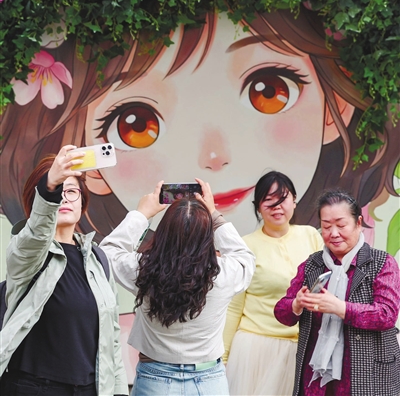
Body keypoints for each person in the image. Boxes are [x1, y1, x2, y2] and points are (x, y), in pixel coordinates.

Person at [1, 8, 399, 245]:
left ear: (336, 107)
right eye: (136, 124)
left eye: (268, 91)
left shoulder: (311, 246)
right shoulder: (106, 264)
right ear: (95, 174)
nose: (213, 156)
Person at [100, 178, 256, 396]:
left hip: (154, 379)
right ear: (207, 236)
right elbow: (245, 257)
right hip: (209, 381)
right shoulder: (223, 273)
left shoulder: (143, 269)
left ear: (163, 233)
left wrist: (142, 214)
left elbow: (107, 253)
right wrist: (213, 214)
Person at [0, 145, 128, 396]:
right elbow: (36, 235)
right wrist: (50, 186)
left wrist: (120, 391)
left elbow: (111, 336)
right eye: (59, 190)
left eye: (71, 191)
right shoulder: (27, 252)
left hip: (89, 389)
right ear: (38, 203)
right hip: (33, 388)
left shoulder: (97, 259)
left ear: (83, 202)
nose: (64, 198)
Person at [274, 189, 400, 396]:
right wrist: (296, 304)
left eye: (341, 225)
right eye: (326, 226)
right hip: (316, 378)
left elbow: (386, 315)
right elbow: (281, 312)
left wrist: (340, 308)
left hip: (369, 374)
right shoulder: (312, 265)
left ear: (358, 223)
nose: (333, 233)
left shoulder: (381, 263)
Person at [223, 170, 324, 395]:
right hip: (256, 349)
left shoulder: (311, 236)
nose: (277, 206)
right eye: (268, 200)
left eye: (283, 198)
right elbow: (233, 307)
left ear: (294, 201)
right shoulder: (245, 246)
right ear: (258, 207)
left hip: (303, 346)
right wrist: (224, 358)